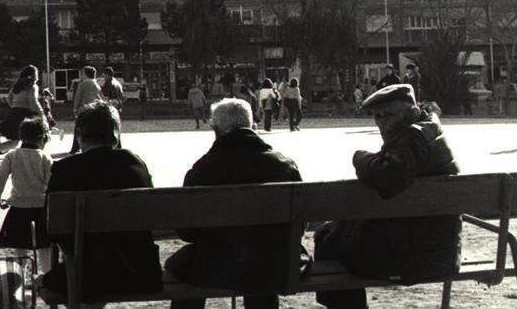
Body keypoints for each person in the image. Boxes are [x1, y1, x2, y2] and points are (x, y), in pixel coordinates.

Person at [314, 84, 461, 309]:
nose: (382, 122)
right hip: (441, 248)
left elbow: (387, 178)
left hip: (416, 255)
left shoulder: (414, 135)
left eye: (388, 115)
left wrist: (360, 158)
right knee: (333, 234)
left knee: (326, 239)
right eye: (377, 116)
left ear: (410, 112)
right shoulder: (429, 130)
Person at [165, 98, 303, 309]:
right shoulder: (284, 165)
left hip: (218, 266)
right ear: (252, 126)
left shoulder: (203, 169)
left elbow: (187, 232)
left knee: (182, 267)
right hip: (274, 265)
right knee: (263, 259)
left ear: (217, 131)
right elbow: (299, 226)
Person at [39, 102, 162, 305]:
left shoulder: (66, 169)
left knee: (53, 279)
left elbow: (49, 228)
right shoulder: (135, 164)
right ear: (116, 133)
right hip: (139, 271)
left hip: (86, 274)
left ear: (80, 135)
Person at [0, 116, 54, 272]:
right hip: (40, 208)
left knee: (20, 247)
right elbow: (52, 183)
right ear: (43, 138)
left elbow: (0, 178)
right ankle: (46, 275)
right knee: (45, 247)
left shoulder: (12, 156)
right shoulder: (45, 157)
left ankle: (20, 276)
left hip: (19, 208)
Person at [0, 65, 43, 157]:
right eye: (36, 74)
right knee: (33, 137)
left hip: (13, 113)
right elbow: (33, 102)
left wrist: (16, 107)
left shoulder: (16, 86)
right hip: (25, 114)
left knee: (15, 141)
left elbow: (9, 98)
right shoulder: (32, 86)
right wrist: (41, 114)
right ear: (33, 75)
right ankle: (31, 156)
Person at [69, 65, 102, 153]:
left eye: (82, 73)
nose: (81, 75)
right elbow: (100, 97)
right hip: (93, 109)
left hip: (83, 109)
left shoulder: (83, 84)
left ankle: (75, 148)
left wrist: (75, 109)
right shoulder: (96, 84)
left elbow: (77, 97)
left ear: (86, 74)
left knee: (78, 129)